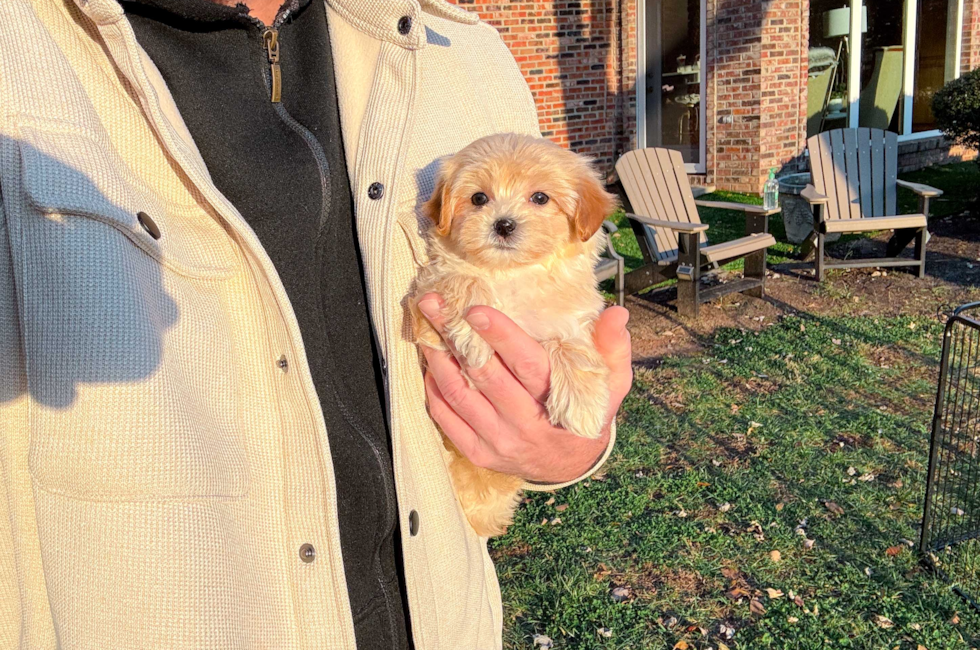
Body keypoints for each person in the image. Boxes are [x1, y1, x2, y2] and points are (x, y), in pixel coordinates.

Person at [0, 0, 633, 648]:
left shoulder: (463, 50)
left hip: (441, 620)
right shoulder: (21, 48)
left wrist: (569, 447)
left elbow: (551, 313)